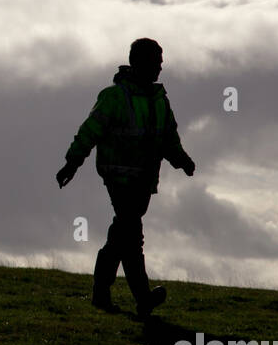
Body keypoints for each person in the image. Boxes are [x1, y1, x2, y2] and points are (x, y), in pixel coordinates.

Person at [56, 38, 195, 318]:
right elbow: (90, 131)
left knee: (123, 235)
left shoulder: (159, 101)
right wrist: (72, 162)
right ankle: (141, 297)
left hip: (144, 180)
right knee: (132, 235)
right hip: (118, 178)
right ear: (138, 63)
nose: (160, 66)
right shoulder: (114, 97)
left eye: (160, 61)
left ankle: (102, 293)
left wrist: (182, 160)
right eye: (155, 61)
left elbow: (168, 137)